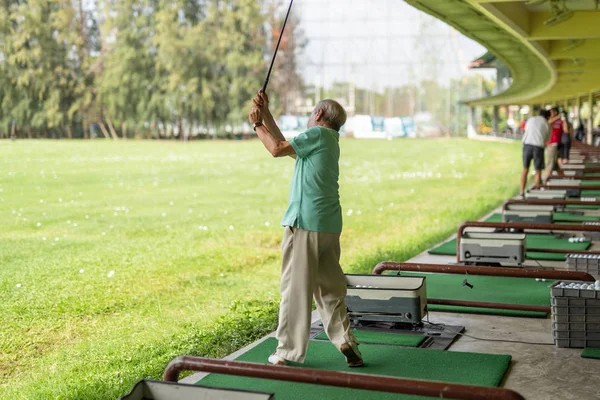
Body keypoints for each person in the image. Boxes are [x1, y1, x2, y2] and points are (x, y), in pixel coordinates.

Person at [248, 90, 363, 368]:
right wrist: (266, 114)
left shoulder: (317, 135)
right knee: (330, 291)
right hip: (329, 227)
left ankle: (286, 352)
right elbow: (285, 144)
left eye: (312, 112)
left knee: (295, 290)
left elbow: (276, 148)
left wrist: (255, 125)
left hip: (305, 224)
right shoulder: (328, 141)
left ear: (319, 115)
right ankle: (346, 340)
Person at [520, 109, 551, 197]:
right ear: (548, 117)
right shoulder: (547, 124)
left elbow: (526, 130)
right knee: (538, 171)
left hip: (527, 145)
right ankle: (537, 193)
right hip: (538, 146)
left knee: (525, 169)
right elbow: (548, 139)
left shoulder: (531, 119)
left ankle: (522, 192)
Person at [544, 107, 562, 182]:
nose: (551, 114)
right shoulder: (548, 120)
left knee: (553, 165)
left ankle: (563, 178)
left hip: (557, 144)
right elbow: (549, 122)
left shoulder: (560, 121)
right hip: (551, 144)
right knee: (551, 164)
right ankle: (545, 182)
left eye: (552, 112)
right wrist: (559, 116)